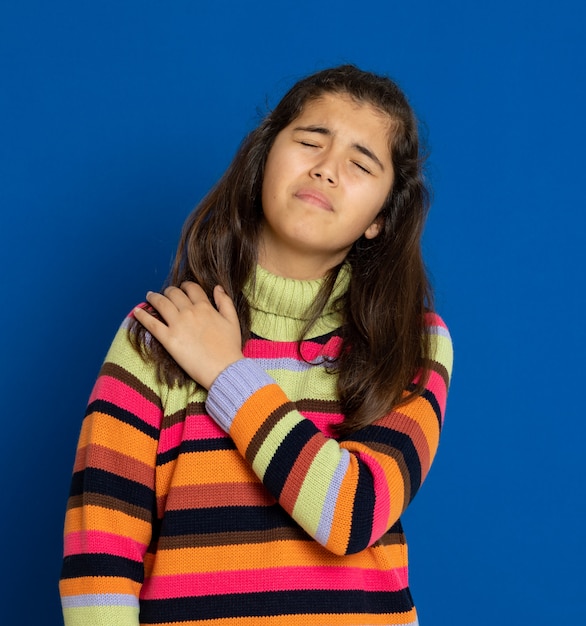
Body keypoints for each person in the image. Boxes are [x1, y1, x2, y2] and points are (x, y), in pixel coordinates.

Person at [60, 64, 453, 626]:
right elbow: (99, 559)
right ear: (263, 159)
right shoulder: (159, 330)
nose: (326, 170)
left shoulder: (413, 343)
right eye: (311, 141)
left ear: (380, 220)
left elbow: (352, 513)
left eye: (361, 163)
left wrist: (226, 372)